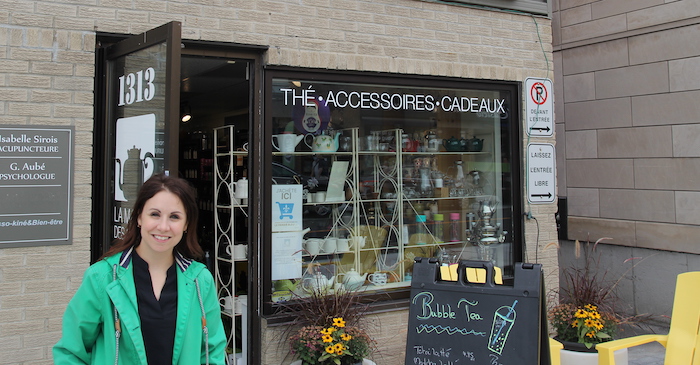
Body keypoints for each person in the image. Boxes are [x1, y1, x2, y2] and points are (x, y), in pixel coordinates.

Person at [53, 173, 226, 364]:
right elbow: (70, 351)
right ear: (139, 218)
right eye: (154, 214)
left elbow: (212, 351)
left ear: (186, 224)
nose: (163, 226)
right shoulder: (103, 278)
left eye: (174, 217)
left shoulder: (200, 281)